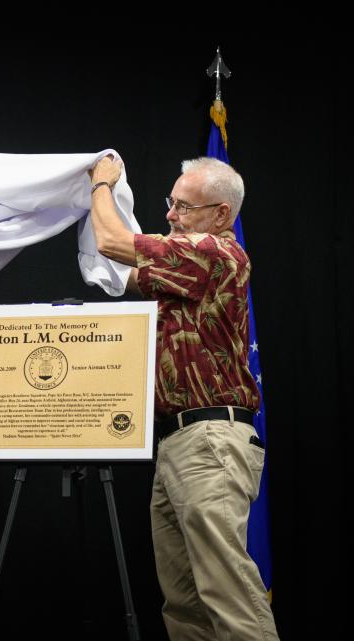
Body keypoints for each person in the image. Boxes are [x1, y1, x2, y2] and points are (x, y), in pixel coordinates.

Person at [88, 156, 278, 640]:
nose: (171, 215)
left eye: (183, 207)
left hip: (211, 440)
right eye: (170, 203)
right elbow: (118, 271)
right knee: (184, 601)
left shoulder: (214, 252)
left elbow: (112, 242)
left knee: (227, 592)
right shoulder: (186, 266)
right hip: (179, 441)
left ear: (220, 214)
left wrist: (101, 185)